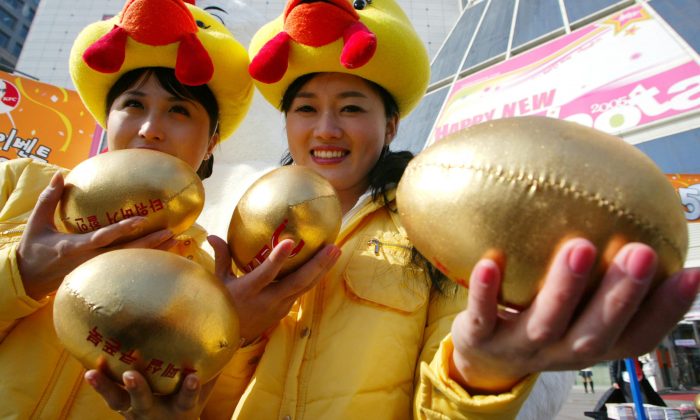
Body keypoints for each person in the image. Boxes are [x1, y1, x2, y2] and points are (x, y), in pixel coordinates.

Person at [93, 0, 700, 418]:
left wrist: (480, 373)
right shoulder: (239, 225)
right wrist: (236, 335)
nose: (326, 129)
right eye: (306, 108)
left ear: (391, 124)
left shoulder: (441, 223)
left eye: (352, 107)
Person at [0, 2, 339, 419]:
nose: (150, 128)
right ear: (107, 118)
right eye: (133, 105)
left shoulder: (206, 275)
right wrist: (22, 274)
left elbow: (212, 408)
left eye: (179, 110)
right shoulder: (18, 185)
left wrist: (231, 337)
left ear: (211, 141)